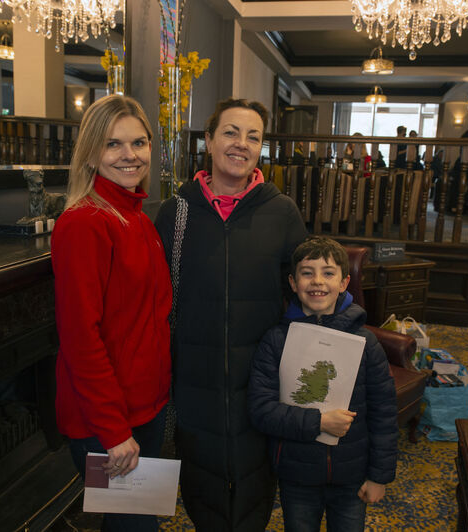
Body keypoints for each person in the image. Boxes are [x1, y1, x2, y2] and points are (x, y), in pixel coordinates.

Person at [155, 98, 307, 531]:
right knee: (200, 484)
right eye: (231, 132)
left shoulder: (282, 212)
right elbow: (154, 298)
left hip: (259, 378)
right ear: (209, 141)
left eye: (253, 137)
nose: (241, 144)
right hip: (193, 377)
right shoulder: (176, 213)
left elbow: (303, 292)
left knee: (256, 482)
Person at [51, 95, 171, 532]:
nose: (129, 155)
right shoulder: (84, 223)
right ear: (91, 153)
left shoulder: (135, 216)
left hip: (144, 406)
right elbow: (81, 338)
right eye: (113, 144)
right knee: (135, 527)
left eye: (139, 143)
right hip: (106, 420)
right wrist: (113, 430)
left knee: (133, 524)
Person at [248, 236, 399, 532]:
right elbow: (261, 409)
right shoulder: (276, 341)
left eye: (328, 273)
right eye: (307, 273)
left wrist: (379, 476)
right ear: (293, 283)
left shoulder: (366, 344)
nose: (318, 281)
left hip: (352, 476)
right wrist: (319, 422)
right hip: (297, 474)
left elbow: (384, 414)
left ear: (344, 283)